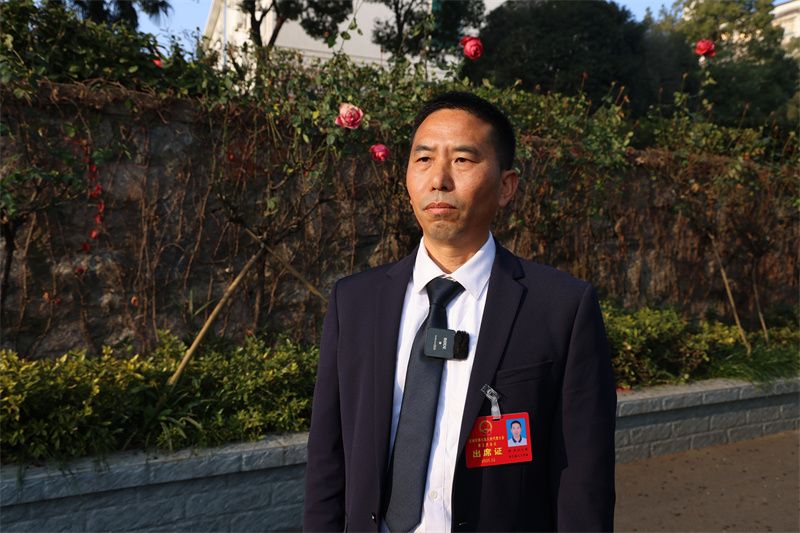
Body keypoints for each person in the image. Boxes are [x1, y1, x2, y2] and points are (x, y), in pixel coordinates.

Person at [303, 91, 616, 532]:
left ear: (506, 186)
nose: (439, 179)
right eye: (424, 159)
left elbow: (584, 481)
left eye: (463, 160)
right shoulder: (354, 303)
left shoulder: (560, 307)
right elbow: (327, 457)